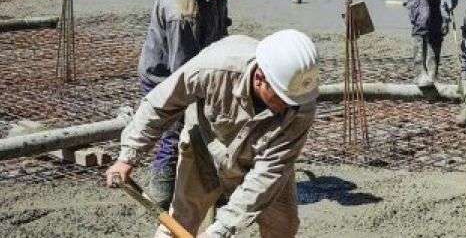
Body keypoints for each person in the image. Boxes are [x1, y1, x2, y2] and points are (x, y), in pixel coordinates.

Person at [106, 30, 320, 238]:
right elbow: (160, 104)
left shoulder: (300, 105)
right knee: (180, 221)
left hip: (261, 161)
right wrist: (128, 156)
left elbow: (268, 174)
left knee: (283, 226)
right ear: (260, 78)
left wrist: (219, 231)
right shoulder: (215, 67)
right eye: (281, 98)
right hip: (204, 149)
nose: (286, 107)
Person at [137, 0, 236, 208]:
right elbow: (183, 74)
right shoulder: (182, 11)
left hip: (198, 65)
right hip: (165, 76)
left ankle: (208, 190)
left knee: (210, 127)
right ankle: (161, 201)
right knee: (173, 134)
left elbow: (221, 26)